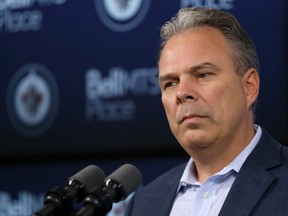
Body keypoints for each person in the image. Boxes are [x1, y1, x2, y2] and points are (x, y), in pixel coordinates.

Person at [125, 7, 288, 216]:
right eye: (170, 83)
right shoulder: (143, 204)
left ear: (249, 86)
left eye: (202, 75)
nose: (182, 92)